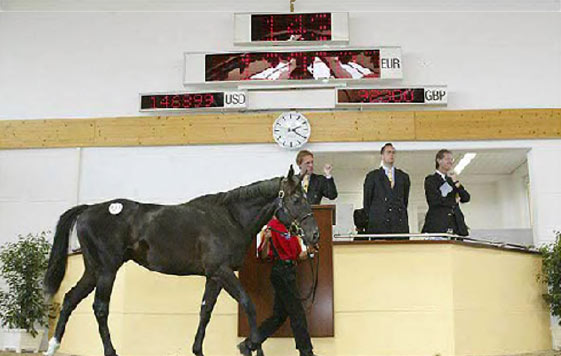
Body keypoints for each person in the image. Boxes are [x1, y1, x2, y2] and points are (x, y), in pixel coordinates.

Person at [238, 217, 318, 356]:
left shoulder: (292, 228)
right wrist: (268, 239)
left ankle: (250, 343)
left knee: (279, 316)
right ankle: (306, 353)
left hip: (289, 272)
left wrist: (309, 251)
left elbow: (297, 256)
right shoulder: (272, 226)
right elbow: (263, 255)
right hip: (282, 272)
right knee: (297, 313)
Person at [362, 143, 411, 237]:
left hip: (399, 226)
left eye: (393, 153)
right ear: (382, 155)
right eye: (388, 152)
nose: (391, 155)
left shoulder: (403, 177)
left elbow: (404, 201)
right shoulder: (372, 176)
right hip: (379, 226)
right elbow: (367, 202)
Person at [422, 149, 471, 236]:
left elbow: (466, 198)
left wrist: (456, 182)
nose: (450, 162)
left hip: (456, 225)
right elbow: (435, 201)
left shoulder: (452, 180)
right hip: (438, 225)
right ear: (439, 160)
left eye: (451, 159)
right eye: (447, 159)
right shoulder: (431, 180)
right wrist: (454, 201)